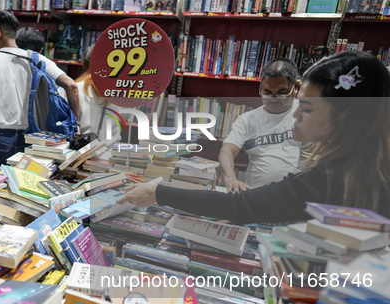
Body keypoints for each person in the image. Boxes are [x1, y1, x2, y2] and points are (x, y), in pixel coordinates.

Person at [117, 51, 390, 223]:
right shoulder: (365, 165)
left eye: (306, 108)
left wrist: (158, 191)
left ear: (343, 116)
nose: (296, 115)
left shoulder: (331, 179)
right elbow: (229, 154)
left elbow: (240, 206)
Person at [0, 11, 80, 172]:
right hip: (34, 139)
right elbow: (72, 86)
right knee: (26, 190)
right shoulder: (37, 59)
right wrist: (76, 123)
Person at [219, 58, 301, 192]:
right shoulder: (247, 120)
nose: (273, 99)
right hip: (257, 197)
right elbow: (226, 151)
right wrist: (230, 178)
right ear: (260, 88)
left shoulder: (309, 115)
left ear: (296, 88)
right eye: (267, 92)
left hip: (298, 198)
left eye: (281, 93)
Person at [74, 45, 121, 147]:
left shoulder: (75, 88)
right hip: (111, 154)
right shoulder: (121, 90)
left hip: (82, 154)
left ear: (85, 62)